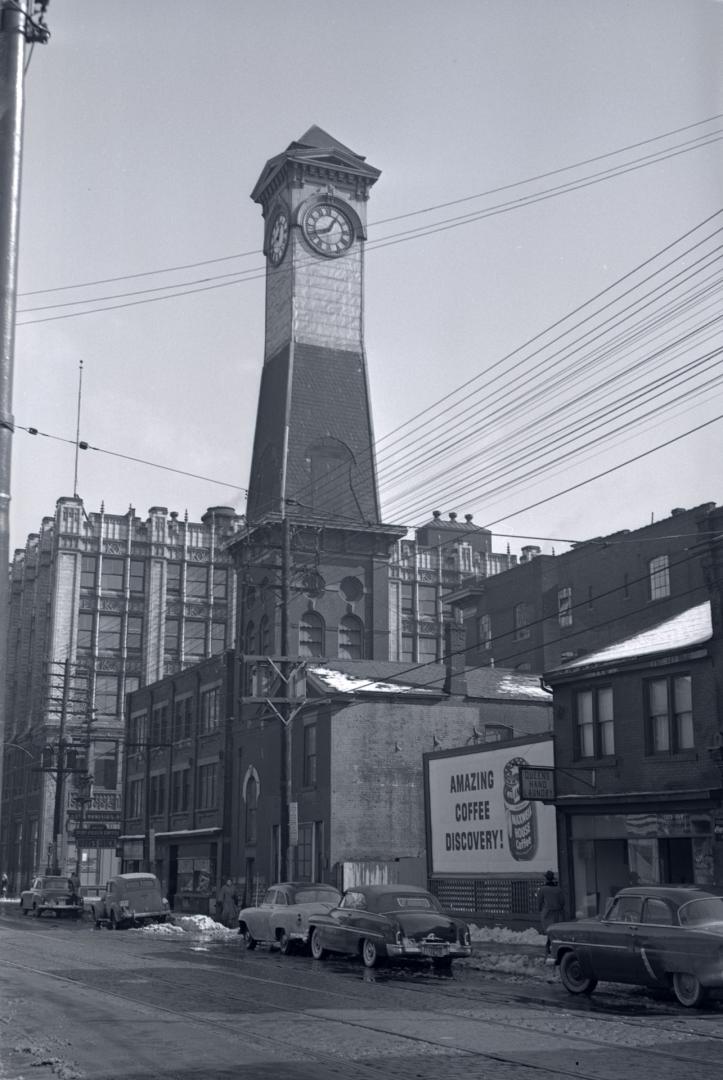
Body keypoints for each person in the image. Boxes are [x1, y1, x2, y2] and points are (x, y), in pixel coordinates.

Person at [537, 869, 566, 956]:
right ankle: (551, 947)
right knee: (556, 931)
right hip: (558, 913)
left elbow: (539, 901)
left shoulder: (543, 889)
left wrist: (540, 909)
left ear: (546, 878)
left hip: (547, 913)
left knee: (550, 931)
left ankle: (550, 947)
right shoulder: (558, 889)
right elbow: (562, 902)